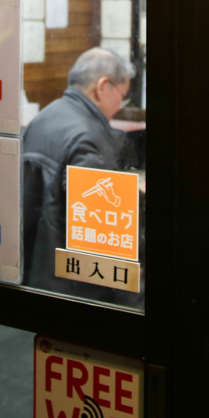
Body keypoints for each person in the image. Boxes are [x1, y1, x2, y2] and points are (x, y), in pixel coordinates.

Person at [20, 48, 141, 304]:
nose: (120, 107)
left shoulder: (45, 116)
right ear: (103, 87)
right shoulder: (87, 137)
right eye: (123, 96)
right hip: (73, 284)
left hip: (35, 266)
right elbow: (101, 227)